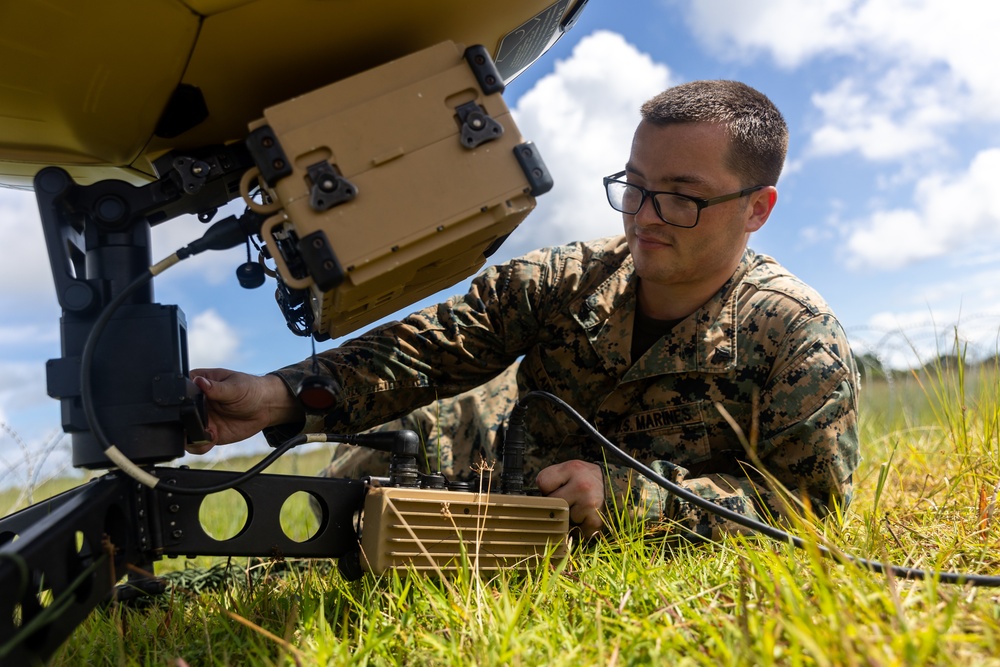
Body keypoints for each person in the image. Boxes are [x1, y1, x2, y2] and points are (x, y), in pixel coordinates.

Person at [188, 80, 860, 541]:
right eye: (634, 185)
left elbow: (806, 512)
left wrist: (630, 498)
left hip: (600, 512)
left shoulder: (796, 337)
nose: (643, 216)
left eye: (682, 196)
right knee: (389, 451)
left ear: (757, 208)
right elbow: (434, 346)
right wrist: (277, 397)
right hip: (500, 462)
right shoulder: (567, 276)